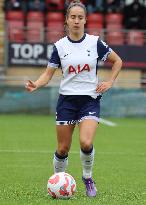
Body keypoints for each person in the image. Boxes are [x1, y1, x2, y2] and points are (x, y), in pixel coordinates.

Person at [25, 0, 122, 197]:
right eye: (72, 17)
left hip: (89, 100)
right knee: (62, 148)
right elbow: (48, 75)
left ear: (85, 20)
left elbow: (117, 61)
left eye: (80, 17)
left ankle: (87, 178)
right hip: (67, 102)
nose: (76, 20)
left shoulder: (95, 43)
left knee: (86, 143)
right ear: (67, 20)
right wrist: (36, 83)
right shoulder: (59, 47)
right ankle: (58, 182)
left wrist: (110, 81)